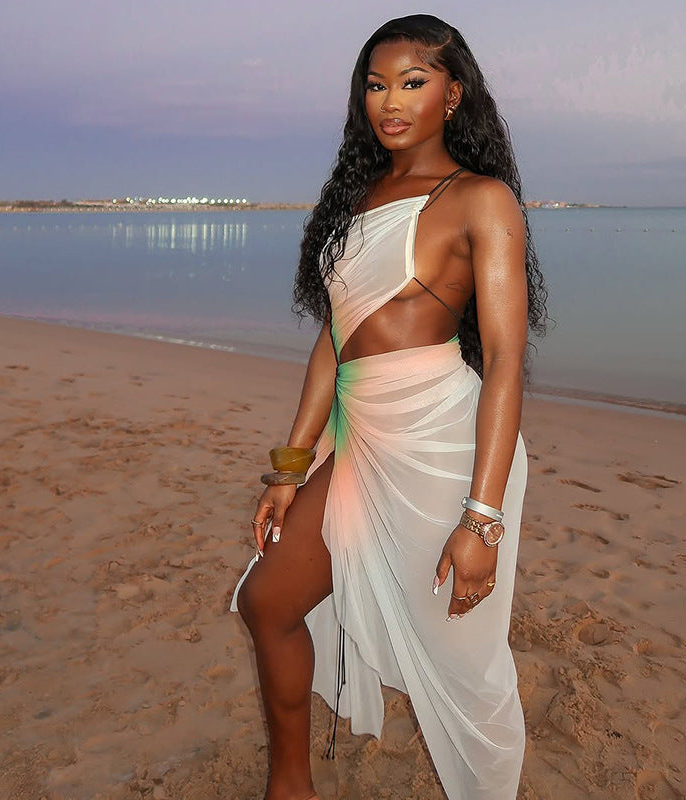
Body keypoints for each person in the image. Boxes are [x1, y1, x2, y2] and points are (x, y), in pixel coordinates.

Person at [231, 13, 549, 800]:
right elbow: (335, 346)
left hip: (446, 451)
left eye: (414, 81)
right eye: (376, 84)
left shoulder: (480, 200)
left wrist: (482, 519)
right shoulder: (358, 198)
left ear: (454, 93)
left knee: (464, 667)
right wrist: (292, 465)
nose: (390, 100)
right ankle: (290, 785)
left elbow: (506, 358)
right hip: (362, 449)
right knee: (266, 601)